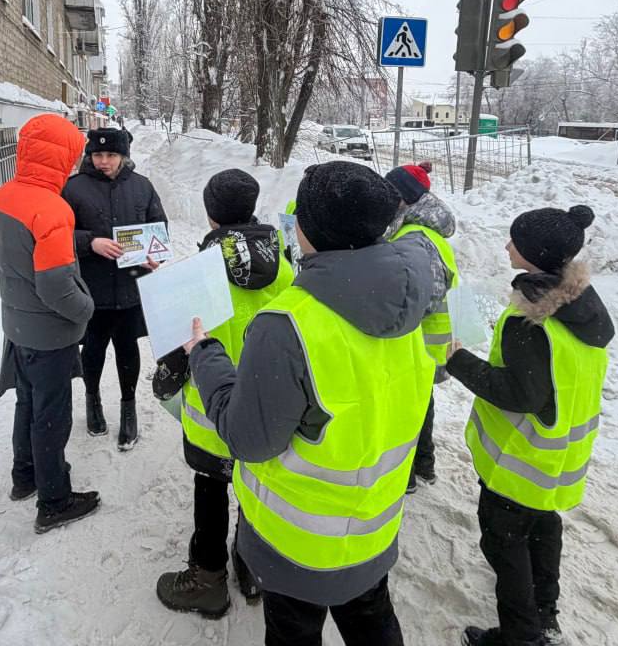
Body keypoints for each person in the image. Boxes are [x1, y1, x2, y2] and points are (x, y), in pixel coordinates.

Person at [185, 161, 449, 646]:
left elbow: (248, 438)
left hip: (298, 541)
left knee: (294, 632)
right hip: (373, 523)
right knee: (372, 622)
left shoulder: (288, 323)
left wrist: (205, 355)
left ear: (305, 227)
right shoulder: (408, 304)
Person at [447, 205, 614, 646]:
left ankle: (520, 636)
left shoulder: (530, 321)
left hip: (519, 461)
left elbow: (520, 393)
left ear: (534, 255)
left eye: (515, 242)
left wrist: (458, 361)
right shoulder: (581, 305)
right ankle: (545, 611)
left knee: (505, 544)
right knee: (543, 528)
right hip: (557, 454)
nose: (507, 246)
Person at [152, 169, 296, 618]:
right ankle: (251, 568)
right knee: (255, 487)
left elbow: (177, 345)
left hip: (211, 412)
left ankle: (208, 578)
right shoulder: (286, 264)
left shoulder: (199, 272)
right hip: (266, 408)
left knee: (211, 490)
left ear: (210, 214)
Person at [0, 114, 99, 534]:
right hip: (49, 335)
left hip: (17, 326)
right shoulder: (53, 209)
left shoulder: (4, 195)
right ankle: (54, 501)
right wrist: (87, 309)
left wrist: (18, 284)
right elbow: (56, 288)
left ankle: (24, 476)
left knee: (26, 402)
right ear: (63, 157)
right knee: (52, 415)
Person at [62, 127, 167, 450]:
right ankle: (92, 400)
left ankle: (128, 408)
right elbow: (59, 233)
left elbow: (159, 227)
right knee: (93, 349)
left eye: (111, 155)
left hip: (130, 287)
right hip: (90, 290)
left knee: (127, 349)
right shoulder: (73, 188)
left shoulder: (142, 186)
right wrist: (90, 242)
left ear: (123, 156)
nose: (104, 161)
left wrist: (154, 254)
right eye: (98, 154)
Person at [384, 161, 459, 493]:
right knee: (420, 402)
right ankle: (424, 464)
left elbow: (422, 297)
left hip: (419, 341)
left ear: (404, 198)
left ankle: (409, 474)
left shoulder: (416, 238)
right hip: (427, 339)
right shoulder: (425, 231)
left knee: (408, 407)